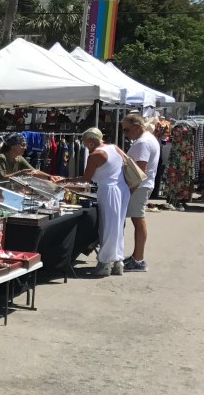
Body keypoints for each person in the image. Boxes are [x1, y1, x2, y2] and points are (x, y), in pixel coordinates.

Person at [57, 128, 127, 277]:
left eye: (84, 142)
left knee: (108, 226)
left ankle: (105, 262)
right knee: (117, 226)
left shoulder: (95, 155)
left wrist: (66, 180)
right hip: (122, 188)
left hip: (109, 190)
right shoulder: (114, 147)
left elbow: (86, 179)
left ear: (90, 141)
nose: (84, 145)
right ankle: (117, 260)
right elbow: (125, 162)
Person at [121, 113, 158, 272]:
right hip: (142, 185)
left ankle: (138, 260)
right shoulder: (147, 139)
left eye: (126, 130)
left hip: (140, 186)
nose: (125, 133)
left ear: (136, 127)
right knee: (138, 220)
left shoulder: (143, 142)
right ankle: (137, 256)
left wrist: (128, 190)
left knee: (138, 219)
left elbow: (139, 171)